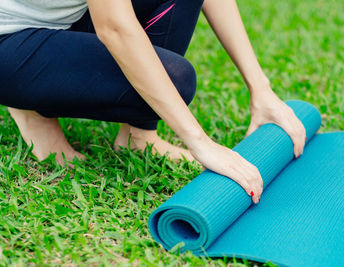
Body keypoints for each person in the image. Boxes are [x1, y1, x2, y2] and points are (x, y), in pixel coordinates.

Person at [0, 0, 306, 204]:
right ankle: (30, 110)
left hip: (68, 19)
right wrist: (200, 141)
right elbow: (115, 27)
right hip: (9, 38)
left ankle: (138, 136)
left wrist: (260, 88)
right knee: (175, 79)